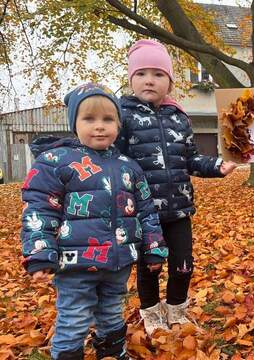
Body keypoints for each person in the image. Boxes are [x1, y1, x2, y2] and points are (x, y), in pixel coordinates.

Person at [20, 83, 168, 359]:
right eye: (89, 119)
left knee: (112, 312)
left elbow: (146, 210)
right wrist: (40, 253)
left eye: (108, 119)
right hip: (76, 263)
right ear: (74, 123)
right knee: (74, 317)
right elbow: (40, 209)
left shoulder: (128, 165)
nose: (99, 126)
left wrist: (154, 248)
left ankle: (112, 352)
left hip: (117, 261)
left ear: (118, 125)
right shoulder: (55, 162)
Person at [115, 39, 237, 334]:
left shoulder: (178, 116)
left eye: (158, 74)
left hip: (179, 210)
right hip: (144, 214)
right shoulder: (122, 114)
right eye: (141, 73)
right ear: (131, 78)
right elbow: (115, 162)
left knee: (184, 265)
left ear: (169, 81)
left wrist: (216, 166)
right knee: (149, 267)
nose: (149, 80)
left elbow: (191, 158)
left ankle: (176, 311)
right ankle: (152, 315)